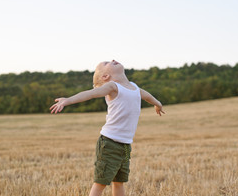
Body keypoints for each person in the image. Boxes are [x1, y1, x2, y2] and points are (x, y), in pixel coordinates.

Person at [50, 60, 165, 196]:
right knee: (101, 182)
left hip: (125, 145)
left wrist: (158, 104)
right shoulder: (113, 87)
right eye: (106, 63)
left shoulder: (134, 87)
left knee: (119, 181)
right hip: (109, 143)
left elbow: (148, 97)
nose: (112, 60)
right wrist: (68, 100)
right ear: (105, 77)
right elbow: (90, 94)